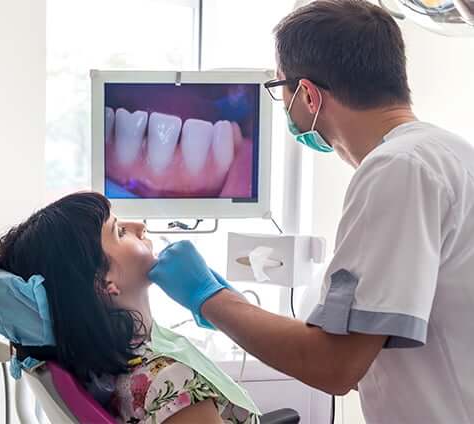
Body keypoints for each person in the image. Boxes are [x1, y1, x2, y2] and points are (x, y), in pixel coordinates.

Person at [149, 1, 474, 423]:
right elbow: (374, 349)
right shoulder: (450, 154)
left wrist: (209, 299)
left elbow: (336, 366)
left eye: (279, 89)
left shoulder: (397, 168)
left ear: (307, 94)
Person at [0, 192, 259, 424]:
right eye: (119, 231)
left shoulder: (107, 370)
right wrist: (213, 300)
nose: (139, 226)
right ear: (104, 283)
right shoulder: (170, 382)